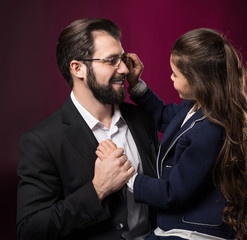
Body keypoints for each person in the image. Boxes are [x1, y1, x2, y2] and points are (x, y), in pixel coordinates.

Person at [96, 28, 247, 239]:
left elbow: (173, 192)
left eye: (175, 74)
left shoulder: (210, 130)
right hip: (176, 226)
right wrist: (136, 84)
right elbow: (164, 116)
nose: (170, 77)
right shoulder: (195, 107)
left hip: (193, 232)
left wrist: (127, 177)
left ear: (198, 81)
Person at [16, 18, 160, 240]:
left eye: (122, 58)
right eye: (111, 60)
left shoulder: (142, 119)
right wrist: (97, 190)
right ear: (78, 68)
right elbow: (30, 230)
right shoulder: (41, 141)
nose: (123, 68)